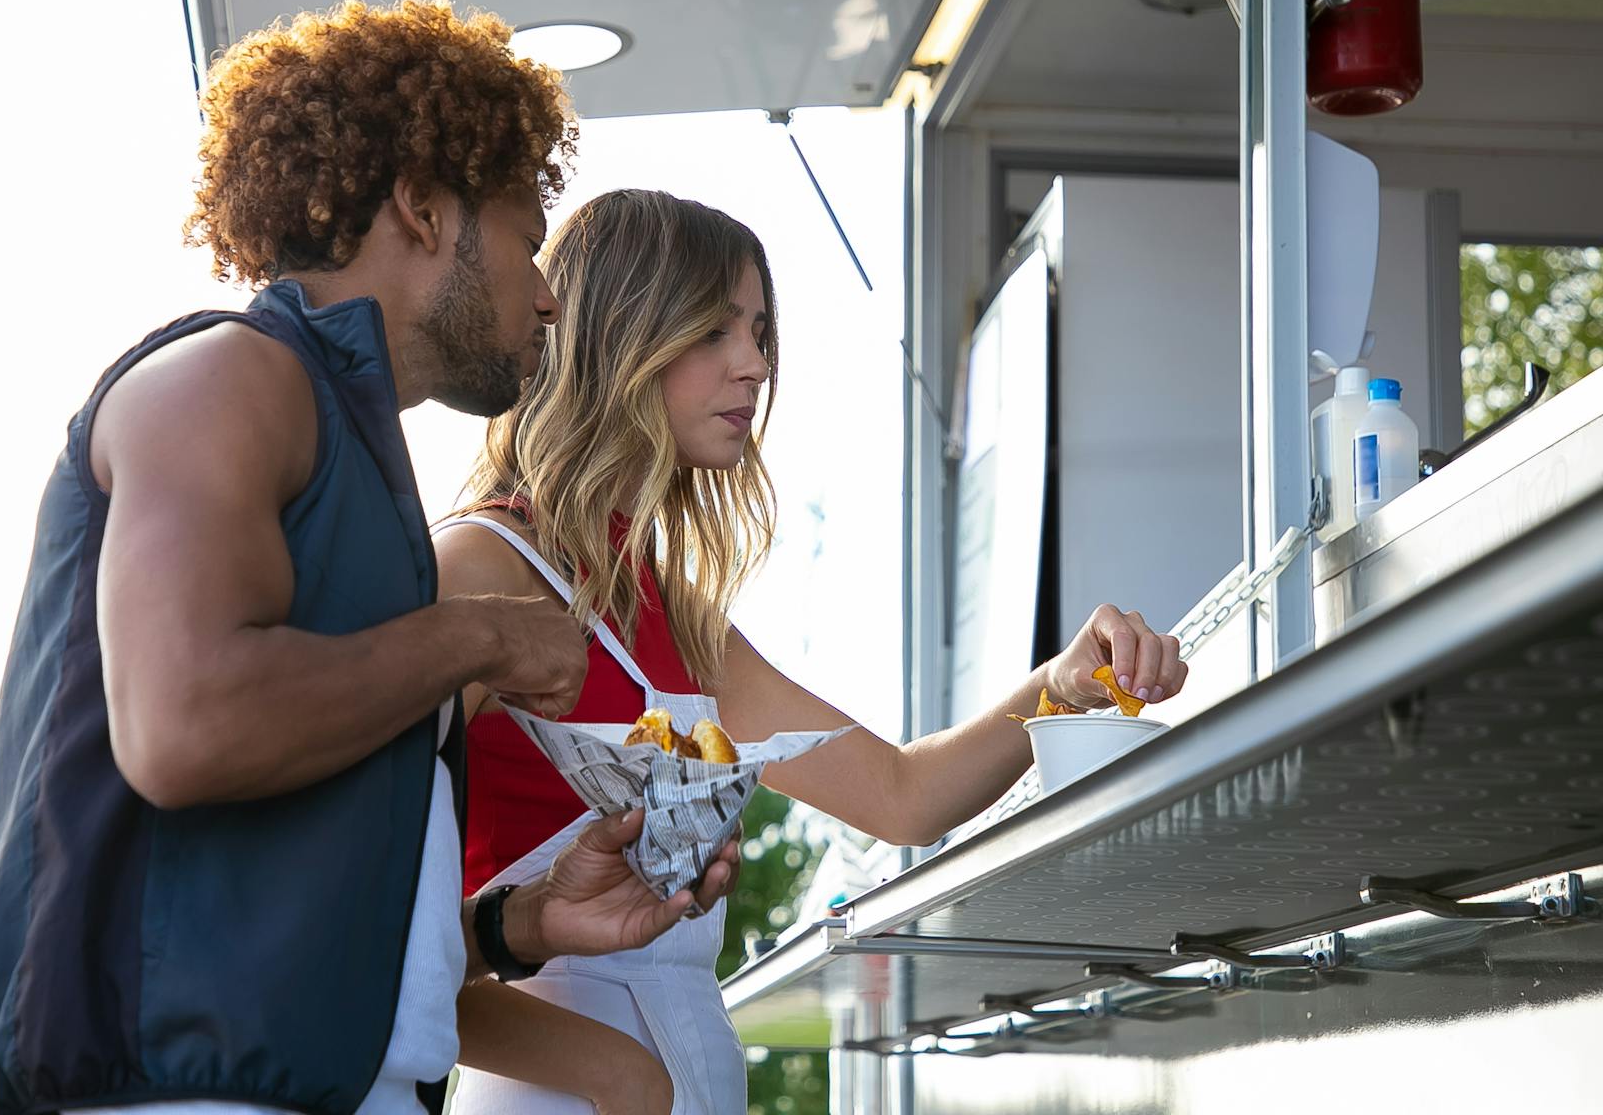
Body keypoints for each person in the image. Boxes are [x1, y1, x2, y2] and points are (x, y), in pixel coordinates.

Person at [0, 1, 737, 1115]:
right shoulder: (225, 379)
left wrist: (520, 923)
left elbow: (306, 901)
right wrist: (484, 632)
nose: (547, 290)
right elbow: (187, 724)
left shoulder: (351, 449)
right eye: (524, 232)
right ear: (421, 207)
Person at [434, 189, 1190, 1114]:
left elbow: (902, 797)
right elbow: (366, 932)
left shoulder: (672, 611)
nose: (754, 365)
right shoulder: (480, 564)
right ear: (620, 335)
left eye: (759, 333)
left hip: (686, 1074)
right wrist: (613, 1073)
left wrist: (1059, 687)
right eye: (716, 330)